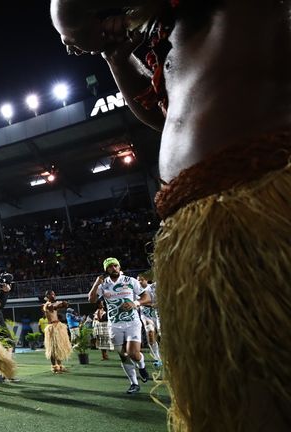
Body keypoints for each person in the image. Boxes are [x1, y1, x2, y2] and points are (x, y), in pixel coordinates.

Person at [51, 1, 290, 429]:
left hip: (268, 199)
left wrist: (98, 25)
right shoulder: (170, 29)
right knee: (235, 399)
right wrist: (114, 49)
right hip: (202, 228)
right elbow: (158, 109)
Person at [88, 258, 151, 394]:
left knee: (133, 353)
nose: (114, 268)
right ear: (106, 270)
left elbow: (147, 297)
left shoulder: (130, 281)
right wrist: (96, 284)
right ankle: (134, 383)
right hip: (114, 325)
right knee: (123, 355)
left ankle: (142, 366)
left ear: (119, 266)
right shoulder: (103, 284)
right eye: (110, 267)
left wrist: (135, 303)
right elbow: (91, 299)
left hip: (132, 322)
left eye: (115, 265)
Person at [42, 290, 72, 373]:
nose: (54, 296)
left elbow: (58, 307)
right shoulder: (47, 305)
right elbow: (53, 307)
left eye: (54, 294)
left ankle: (60, 366)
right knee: (53, 348)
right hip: (52, 328)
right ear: (47, 296)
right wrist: (61, 303)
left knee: (59, 347)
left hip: (58, 326)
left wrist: (64, 304)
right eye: (52, 294)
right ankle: (54, 366)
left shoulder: (53, 304)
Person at [137, 273, 161, 367]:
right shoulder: (136, 290)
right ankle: (157, 359)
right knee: (150, 335)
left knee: (161, 335)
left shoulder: (153, 287)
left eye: (141, 280)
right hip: (146, 314)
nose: (139, 282)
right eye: (138, 280)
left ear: (146, 280)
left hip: (158, 313)